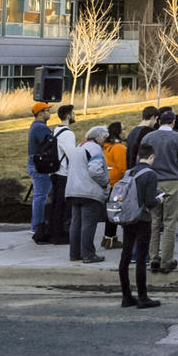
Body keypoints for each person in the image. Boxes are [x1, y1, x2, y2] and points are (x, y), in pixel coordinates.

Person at [139, 109, 178, 274]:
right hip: (171, 181)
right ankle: (166, 260)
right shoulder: (177, 138)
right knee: (169, 222)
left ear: (158, 121)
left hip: (152, 181)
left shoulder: (148, 137)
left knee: (154, 221)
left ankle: (153, 257)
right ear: (174, 122)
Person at [117, 144, 165, 308]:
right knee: (140, 258)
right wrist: (159, 199)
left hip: (127, 217)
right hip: (142, 218)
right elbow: (149, 202)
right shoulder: (150, 174)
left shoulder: (129, 172)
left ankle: (126, 296)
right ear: (151, 157)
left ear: (139, 157)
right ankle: (143, 297)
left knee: (125, 255)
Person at [65, 125, 111, 263]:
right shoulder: (95, 148)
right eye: (104, 138)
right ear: (99, 137)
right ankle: (88, 254)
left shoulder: (79, 147)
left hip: (73, 191)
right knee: (88, 224)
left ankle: (75, 253)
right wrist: (104, 183)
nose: (105, 142)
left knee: (76, 223)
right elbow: (95, 170)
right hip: (89, 192)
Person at [44, 105, 78, 246]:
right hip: (64, 173)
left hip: (54, 172)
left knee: (56, 204)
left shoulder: (55, 130)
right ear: (68, 115)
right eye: (74, 113)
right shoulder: (68, 134)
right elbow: (73, 156)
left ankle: (53, 232)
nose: (75, 115)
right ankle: (60, 234)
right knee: (62, 206)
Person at [25, 102, 53, 241]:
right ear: (41, 113)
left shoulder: (35, 126)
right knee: (40, 197)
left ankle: (37, 225)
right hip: (40, 166)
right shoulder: (41, 128)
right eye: (48, 110)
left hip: (34, 164)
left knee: (39, 196)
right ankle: (37, 227)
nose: (50, 113)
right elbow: (51, 145)